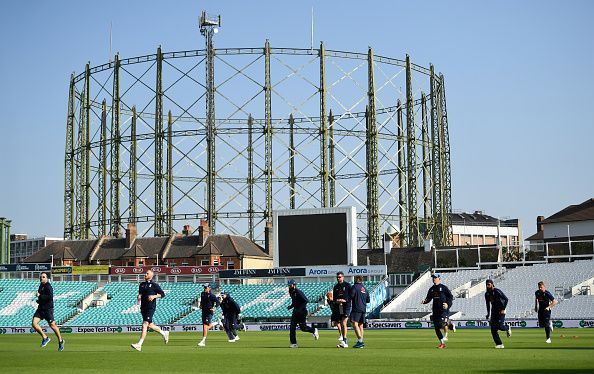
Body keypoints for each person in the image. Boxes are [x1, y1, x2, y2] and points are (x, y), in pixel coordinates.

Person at [131, 270, 169, 351]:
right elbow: (140, 294)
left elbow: (162, 294)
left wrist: (154, 296)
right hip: (143, 307)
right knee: (150, 325)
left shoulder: (154, 285)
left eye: (147, 273)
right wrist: (139, 296)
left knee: (145, 324)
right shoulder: (141, 285)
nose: (145, 274)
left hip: (150, 307)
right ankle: (164, 333)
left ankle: (139, 344)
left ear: (151, 275)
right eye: (145, 273)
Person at [32, 272, 65, 351]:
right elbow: (42, 297)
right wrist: (39, 300)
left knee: (52, 325)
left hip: (48, 309)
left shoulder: (48, 286)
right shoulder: (41, 285)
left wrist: (40, 296)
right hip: (41, 308)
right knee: (34, 323)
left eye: (43, 277)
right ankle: (45, 337)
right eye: (41, 277)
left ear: (46, 278)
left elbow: (50, 297)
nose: (41, 278)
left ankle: (60, 341)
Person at [421, 273, 454, 349]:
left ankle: (449, 323)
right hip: (435, 310)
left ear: (439, 278)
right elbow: (428, 298)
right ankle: (442, 343)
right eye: (433, 278)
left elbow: (450, 297)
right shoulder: (431, 289)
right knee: (436, 328)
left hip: (443, 310)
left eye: (435, 277)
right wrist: (424, 301)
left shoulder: (444, 288)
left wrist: (447, 304)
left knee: (441, 324)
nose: (434, 279)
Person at [287, 279, 319, 348]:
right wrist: (291, 306)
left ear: (294, 285)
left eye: (290, 285)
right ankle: (294, 343)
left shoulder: (298, 292)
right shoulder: (291, 292)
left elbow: (305, 300)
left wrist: (299, 309)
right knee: (292, 328)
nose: (289, 286)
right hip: (295, 312)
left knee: (303, 328)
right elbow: (295, 302)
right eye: (289, 285)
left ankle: (314, 330)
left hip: (302, 312)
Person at [485, 279, 511, 348]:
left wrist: (503, 309)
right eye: (486, 285)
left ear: (492, 284)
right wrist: (488, 313)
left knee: (500, 326)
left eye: (489, 284)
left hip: (501, 310)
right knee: (493, 329)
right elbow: (488, 304)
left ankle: (507, 327)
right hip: (494, 311)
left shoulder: (497, 291)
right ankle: (499, 344)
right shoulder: (487, 294)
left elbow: (506, 299)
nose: (487, 286)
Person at [349, 275, 370, 348]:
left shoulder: (354, 287)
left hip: (356, 308)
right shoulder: (365, 288)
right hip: (363, 308)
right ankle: (360, 342)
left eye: (355, 278)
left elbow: (351, 296)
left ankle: (360, 341)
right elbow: (368, 300)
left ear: (357, 279)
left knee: (355, 324)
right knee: (360, 325)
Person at [333, 271, 352, 348]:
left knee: (344, 322)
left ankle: (345, 341)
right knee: (341, 323)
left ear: (343, 277)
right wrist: (337, 301)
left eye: (340, 277)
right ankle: (343, 341)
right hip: (339, 306)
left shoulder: (347, 285)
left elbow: (351, 296)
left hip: (346, 306)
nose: (338, 278)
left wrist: (345, 300)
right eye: (337, 277)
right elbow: (334, 298)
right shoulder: (336, 287)